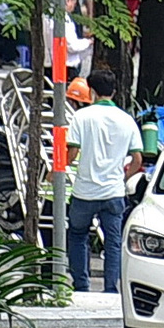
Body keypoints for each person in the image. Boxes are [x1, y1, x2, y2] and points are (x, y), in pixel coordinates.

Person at [64, 68, 144, 293]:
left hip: (84, 192)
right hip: (114, 193)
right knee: (113, 242)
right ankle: (111, 288)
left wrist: (55, 171)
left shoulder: (82, 117)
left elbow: (71, 153)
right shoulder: (127, 120)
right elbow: (137, 159)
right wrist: (123, 177)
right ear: (115, 91)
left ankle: (81, 285)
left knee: (78, 236)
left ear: (91, 91)